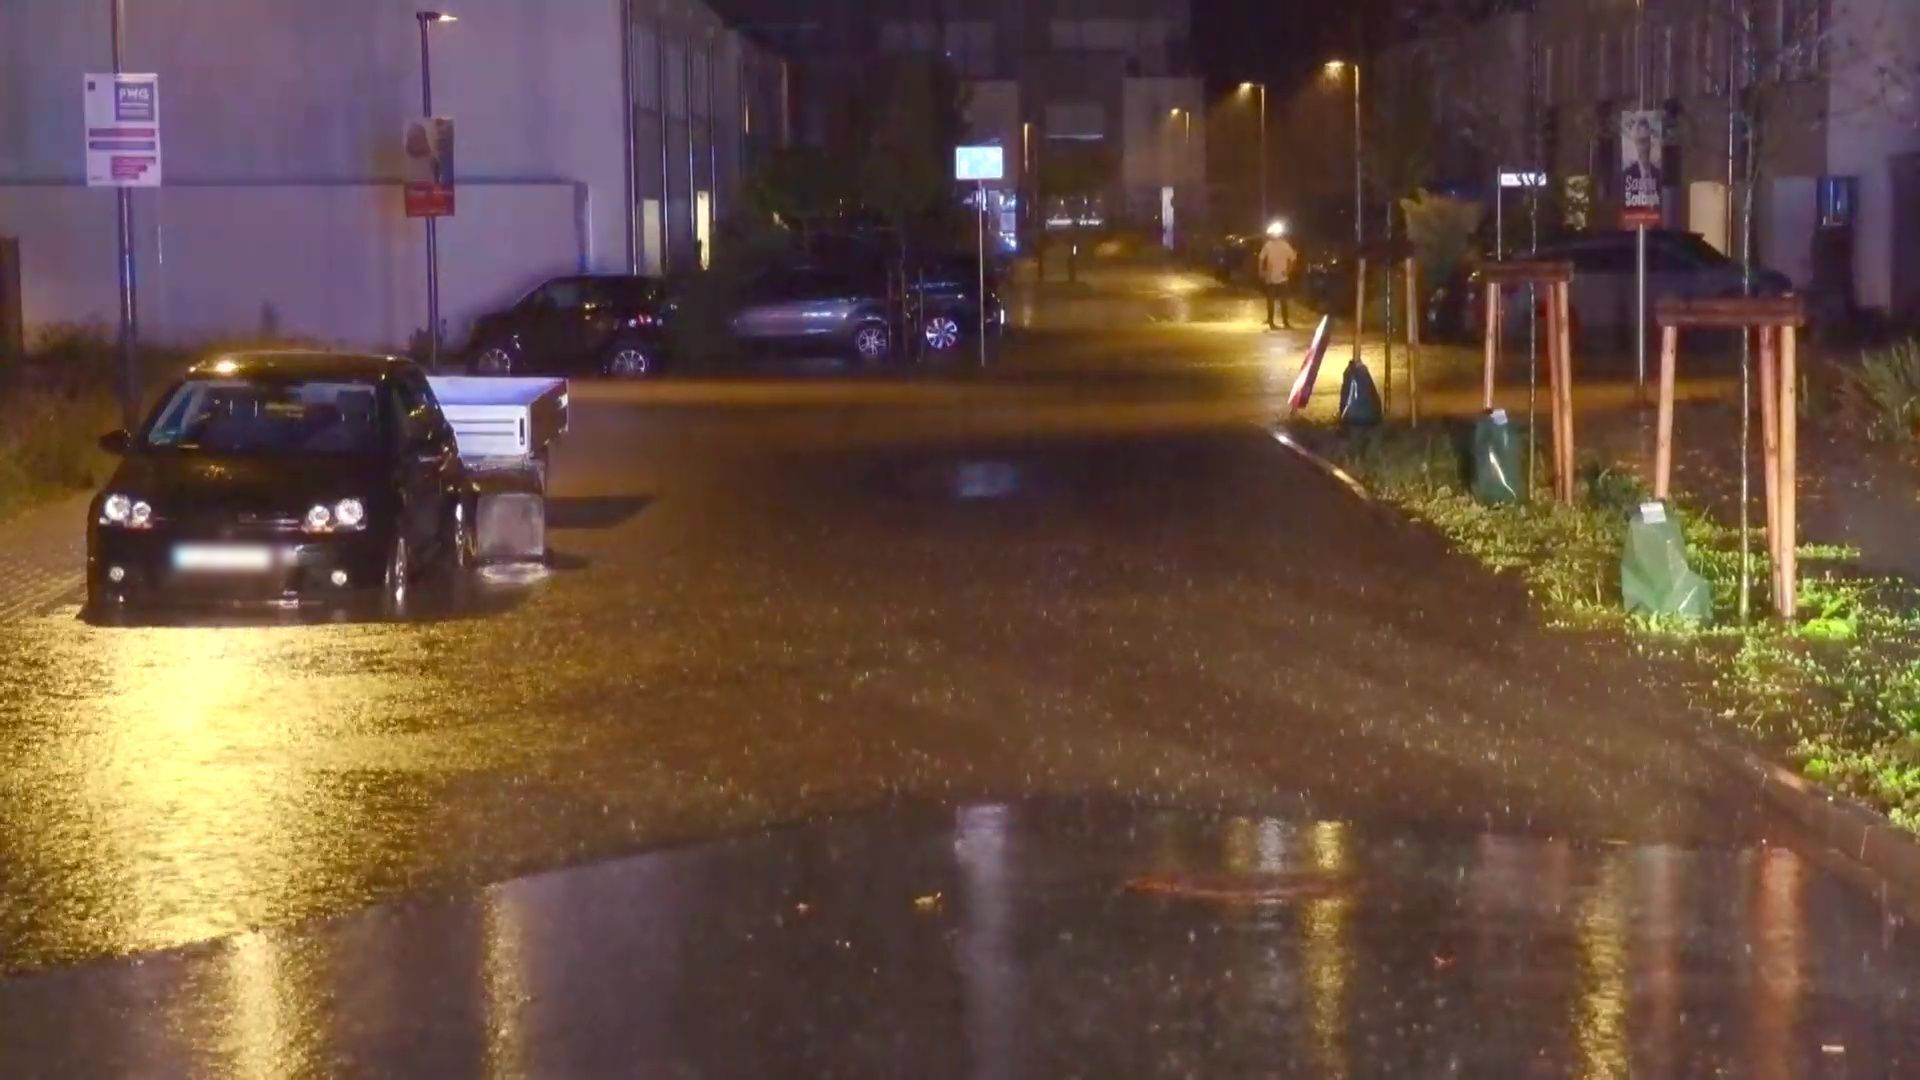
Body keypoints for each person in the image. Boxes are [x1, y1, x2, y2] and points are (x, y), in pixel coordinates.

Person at [1258, 225, 1299, 330]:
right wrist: (1288, 271)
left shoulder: (1270, 245)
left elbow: (1261, 259)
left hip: (1273, 277)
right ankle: (1284, 322)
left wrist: (1261, 271)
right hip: (1280, 277)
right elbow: (1293, 259)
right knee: (1282, 301)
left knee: (1273, 301)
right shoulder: (1284, 245)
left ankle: (1272, 322)